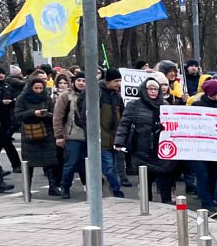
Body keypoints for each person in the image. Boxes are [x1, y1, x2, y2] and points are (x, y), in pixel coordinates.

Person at [115, 79, 176, 203]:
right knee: (145, 179)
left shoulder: (165, 105)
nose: (153, 91)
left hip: (161, 148)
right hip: (141, 148)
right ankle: (146, 205)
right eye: (150, 89)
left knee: (165, 177)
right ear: (144, 89)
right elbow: (124, 124)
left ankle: (167, 204)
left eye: (155, 89)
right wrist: (119, 141)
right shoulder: (134, 105)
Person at [187, 79, 217, 216]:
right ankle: (207, 205)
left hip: (216, 150)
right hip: (199, 150)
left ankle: (212, 199)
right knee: (203, 176)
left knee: (214, 176)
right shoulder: (197, 106)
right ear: (213, 93)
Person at [79, 68, 126, 198]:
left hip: (114, 139)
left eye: (120, 81)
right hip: (101, 138)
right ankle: (116, 193)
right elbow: (84, 115)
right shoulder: (97, 93)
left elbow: (122, 115)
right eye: (116, 81)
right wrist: (92, 133)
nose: (119, 84)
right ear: (108, 81)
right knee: (109, 168)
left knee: (113, 168)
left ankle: (108, 192)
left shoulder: (116, 95)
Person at [14, 76, 61, 196]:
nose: (39, 90)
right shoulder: (22, 99)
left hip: (47, 132)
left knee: (50, 161)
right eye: (36, 88)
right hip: (30, 133)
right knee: (29, 163)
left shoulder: (46, 98)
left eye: (41, 88)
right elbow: (18, 115)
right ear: (30, 87)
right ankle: (27, 189)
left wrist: (45, 114)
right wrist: (33, 113)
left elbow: (54, 114)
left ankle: (53, 186)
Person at [54, 71, 88, 198]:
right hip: (72, 135)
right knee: (70, 163)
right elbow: (58, 116)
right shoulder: (66, 96)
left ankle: (91, 186)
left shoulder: (93, 95)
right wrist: (59, 135)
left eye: (84, 81)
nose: (81, 83)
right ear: (74, 82)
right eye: (79, 80)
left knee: (88, 165)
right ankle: (65, 187)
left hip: (90, 137)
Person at [0, 65, 22, 173]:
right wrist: (1, 103)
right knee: (6, 141)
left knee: (0, 141)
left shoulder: (7, 86)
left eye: (2, 73)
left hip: (7, 117)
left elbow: (12, 99)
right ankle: (16, 164)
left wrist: (13, 101)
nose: (1, 75)